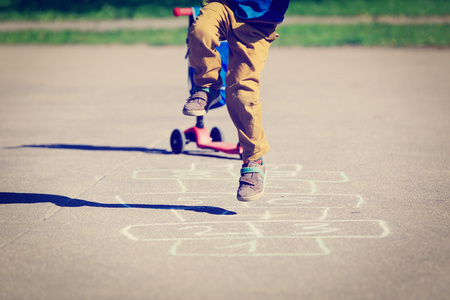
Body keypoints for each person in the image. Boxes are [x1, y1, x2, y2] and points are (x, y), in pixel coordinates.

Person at [182, 0, 290, 202]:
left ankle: (254, 162)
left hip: (259, 20)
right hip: (224, 5)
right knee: (200, 33)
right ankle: (207, 87)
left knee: (243, 93)